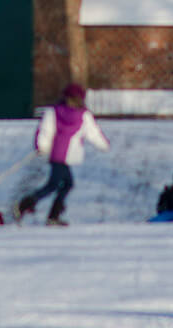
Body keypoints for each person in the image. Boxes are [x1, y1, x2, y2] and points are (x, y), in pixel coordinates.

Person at [15, 82, 109, 226]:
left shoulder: (54, 112)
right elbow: (93, 133)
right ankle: (30, 206)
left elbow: (46, 130)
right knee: (57, 185)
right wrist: (104, 145)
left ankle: (43, 211)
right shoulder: (83, 115)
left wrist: (42, 146)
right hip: (67, 155)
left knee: (64, 184)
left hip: (57, 153)